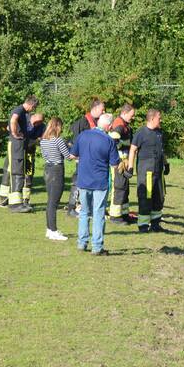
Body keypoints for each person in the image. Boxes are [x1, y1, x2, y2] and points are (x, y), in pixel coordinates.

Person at [70, 113, 120, 256]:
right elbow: (114, 164)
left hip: (83, 180)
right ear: (109, 126)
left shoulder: (83, 135)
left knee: (84, 212)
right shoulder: (109, 141)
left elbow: (73, 155)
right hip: (99, 182)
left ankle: (82, 243)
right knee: (98, 213)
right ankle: (97, 247)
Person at [127, 108, 169, 233]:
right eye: (159, 118)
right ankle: (143, 226)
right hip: (147, 172)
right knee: (145, 197)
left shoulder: (159, 133)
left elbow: (161, 150)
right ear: (152, 119)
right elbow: (132, 150)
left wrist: (166, 164)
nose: (160, 120)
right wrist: (130, 167)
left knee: (159, 198)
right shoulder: (141, 133)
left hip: (158, 171)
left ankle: (155, 224)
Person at [66, 98, 105, 217]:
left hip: (93, 160)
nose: (103, 112)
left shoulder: (97, 122)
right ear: (95, 108)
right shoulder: (82, 123)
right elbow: (74, 141)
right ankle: (72, 207)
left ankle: (91, 208)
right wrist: (77, 156)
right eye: (102, 110)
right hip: (82, 159)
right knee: (78, 182)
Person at [2, 95, 38, 213]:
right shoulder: (19, 110)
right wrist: (15, 134)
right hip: (17, 145)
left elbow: (9, 124)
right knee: (17, 173)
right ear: (31, 104)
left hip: (19, 146)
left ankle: (13, 201)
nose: (33, 110)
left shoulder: (21, 111)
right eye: (34, 107)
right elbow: (12, 121)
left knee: (16, 172)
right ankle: (15, 204)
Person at [39, 117, 73, 241]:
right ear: (58, 127)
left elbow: (44, 155)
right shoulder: (58, 140)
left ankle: (49, 229)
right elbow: (68, 157)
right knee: (54, 203)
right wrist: (70, 146)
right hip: (57, 170)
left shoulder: (43, 140)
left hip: (47, 169)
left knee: (50, 201)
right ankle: (53, 230)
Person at [108, 104, 138, 224]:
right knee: (119, 187)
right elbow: (112, 142)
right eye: (132, 115)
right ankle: (115, 216)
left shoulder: (124, 124)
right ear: (125, 113)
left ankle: (124, 214)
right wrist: (119, 159)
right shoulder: (119, 125)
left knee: (125, 188)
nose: (133, 117)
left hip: (124, 160)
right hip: (119, 162)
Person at [22, 112, 45, 210]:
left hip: (30, 153)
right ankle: (13, 200)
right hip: (19, 153)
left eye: (39, 123)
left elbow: (42, 138)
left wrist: (37, 140)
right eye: (36, 122)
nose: (37, 124)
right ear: (33, 117)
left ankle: (26, 200)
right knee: (17, 176)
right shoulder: (23, 121)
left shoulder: (42, 126)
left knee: (28, 176)